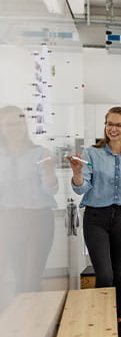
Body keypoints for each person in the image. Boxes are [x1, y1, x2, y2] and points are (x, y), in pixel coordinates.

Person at [68, 106, 121, 337]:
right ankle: (101, 322)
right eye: (110, 124)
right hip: (96, 218)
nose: (113, 129)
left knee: (119, 273)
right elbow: (82, 187)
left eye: (119, 125)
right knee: (105, 274)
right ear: (105, 126)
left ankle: (120, 321)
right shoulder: (92, 153)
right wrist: (77, 173)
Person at [0, 105, 58, 301]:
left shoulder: (39, 153)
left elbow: (51, 189)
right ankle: (22, 324)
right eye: (8, 124)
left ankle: (32, 324)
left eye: (18, 123)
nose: (14, 128)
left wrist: (50, 171)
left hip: (38, 219)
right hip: (9, 219)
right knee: (18, 276)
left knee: (31, 279)